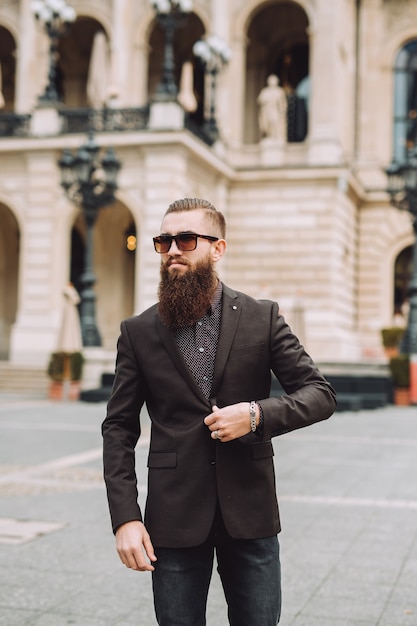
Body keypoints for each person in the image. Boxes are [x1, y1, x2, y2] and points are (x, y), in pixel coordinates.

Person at [102, 197, 337, 626]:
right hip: (172, 520)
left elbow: (320, 394)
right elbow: (118, 429)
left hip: (251, 513)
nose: (173, 249)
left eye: (186, 239)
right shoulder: (136, 332)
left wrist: (255, 415)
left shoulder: (261, 317)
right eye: (164, 241)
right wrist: (125, 519)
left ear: (217, 247)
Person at [257, 75, 288, 142]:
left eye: (274, 81)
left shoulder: (279, 91)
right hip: (267, 111)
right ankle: (269, 137)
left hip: (275, 111)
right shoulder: (265, 91)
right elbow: (260, 100)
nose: (272, 83)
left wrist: (282, 111)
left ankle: (275, 137)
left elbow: (283, 103)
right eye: (271, 81)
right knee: (268, 124)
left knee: (275, 122)